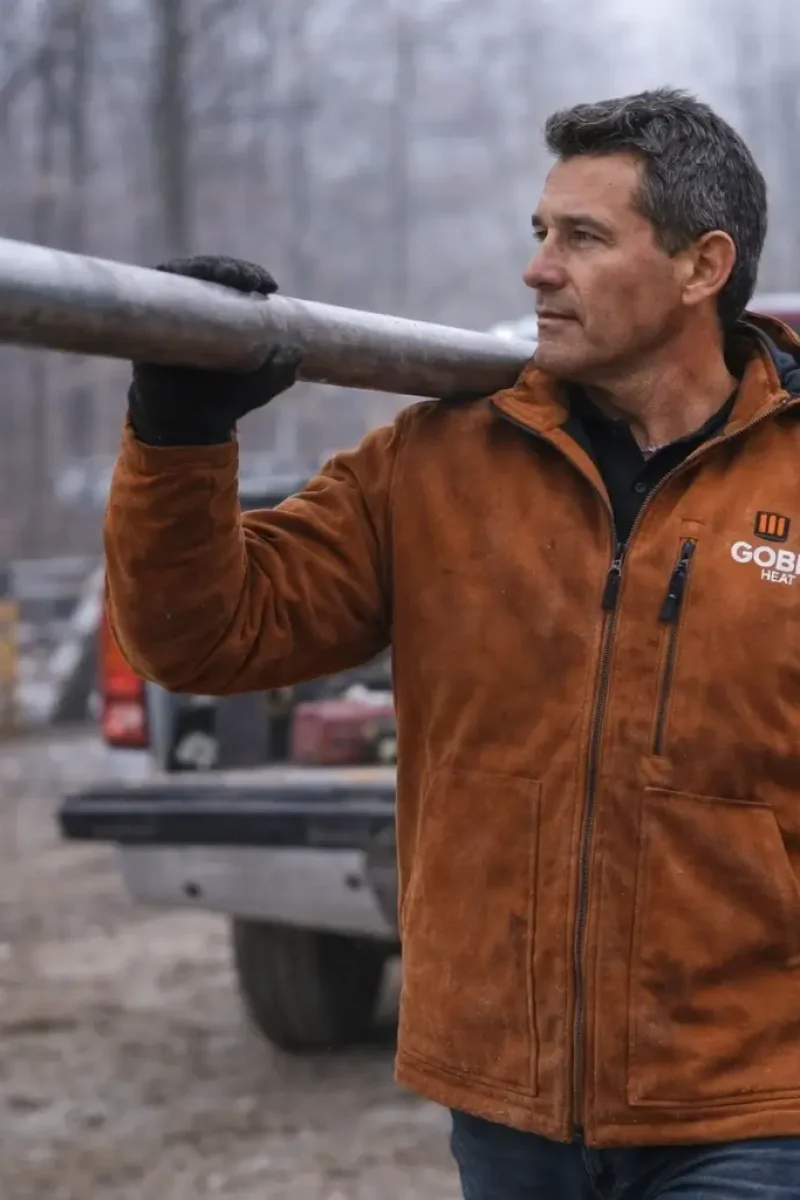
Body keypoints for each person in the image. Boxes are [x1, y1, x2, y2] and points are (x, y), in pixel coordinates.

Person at [103, 87, 800, 1198]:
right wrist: (181, 431)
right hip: (506, 1099)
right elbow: (204, 635)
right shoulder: (436, 461)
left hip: (752, 1100)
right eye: (538, 233)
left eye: (581, 237)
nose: (535, 269)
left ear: (700, 267)